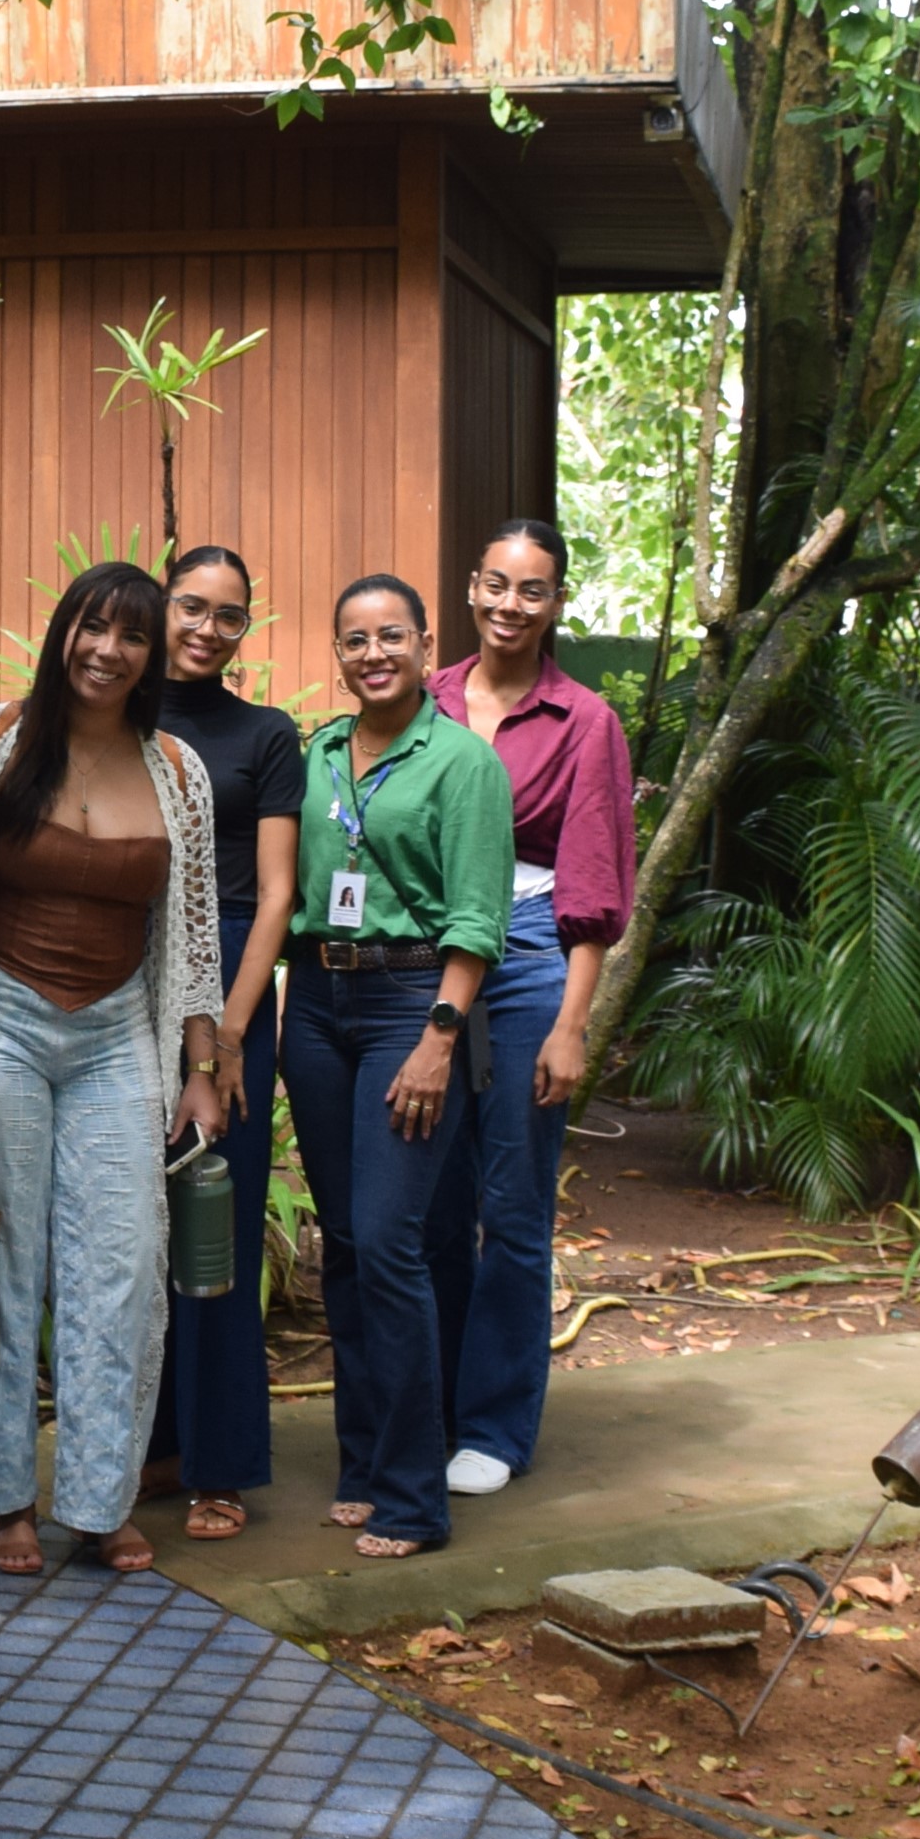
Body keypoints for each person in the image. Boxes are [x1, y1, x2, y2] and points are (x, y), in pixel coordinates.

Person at [0, 560, 228, 1577]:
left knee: (122, 1266)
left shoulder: (176, 768)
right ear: (63, 631)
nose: (108, 649)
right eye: (92, 627)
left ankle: (100, 1500)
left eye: (132, 635)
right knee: (0, 1261)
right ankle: (3, 1496)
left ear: (152, 654)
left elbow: (192, 934)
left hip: (116, 1032)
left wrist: (200, 1065)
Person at [278, 575, 510, 1560]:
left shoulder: (462, 761)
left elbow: (479, 915)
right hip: (316, 1001)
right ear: (338, 652)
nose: (372, 653)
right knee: (341, 1243)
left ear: (424, 644)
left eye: (391, 636)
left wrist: (439, 1036)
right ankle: (364, 1460)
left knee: (389, 1242)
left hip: (411, 1002)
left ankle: (416, 1495)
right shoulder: (320, 752)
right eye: (354, 639)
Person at [424, 519, 639, 1493]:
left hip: (527, 951)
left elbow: (593, 884)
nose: (511, 604)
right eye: (497, 584)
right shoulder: (427, 698)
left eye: (533, 589)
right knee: (429, 1194)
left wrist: (570, 1023)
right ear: (473, 586)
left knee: (512, 1202)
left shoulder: (584, 720)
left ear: (556, 604)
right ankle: (430, 1405)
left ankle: (494, 1427)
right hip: (424, 957)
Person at [143, 545, 303, 1540]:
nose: (207, 628)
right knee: (133, 1226)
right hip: (128, 968)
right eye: (192, 607)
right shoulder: (116, 712)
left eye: (229, 615)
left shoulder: (265, 732)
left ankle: (221, 1462)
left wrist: (233, 1034)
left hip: (235, 969)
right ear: (162, 604)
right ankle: (157, 1442)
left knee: (216, 1221)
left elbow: (279, 891)